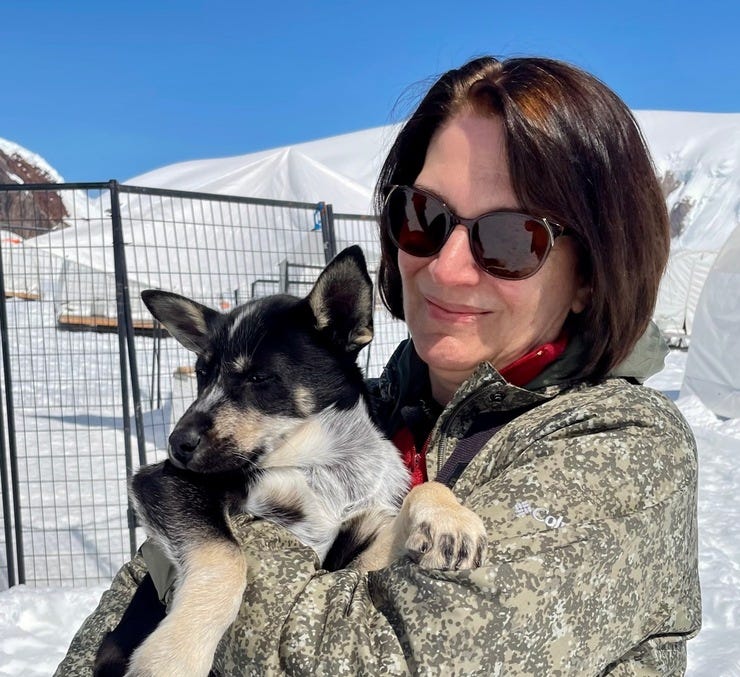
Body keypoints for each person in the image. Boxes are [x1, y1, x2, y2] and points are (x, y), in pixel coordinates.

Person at [56, 55, 701, 675]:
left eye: (510, 239)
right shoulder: (368, 411)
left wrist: (208, 561)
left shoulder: (619, 445)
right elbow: (119, 618)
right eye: (424, 217)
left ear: (590, 276)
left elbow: (403, 660)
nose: (446, 268)